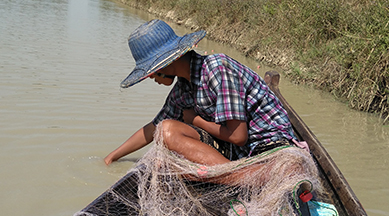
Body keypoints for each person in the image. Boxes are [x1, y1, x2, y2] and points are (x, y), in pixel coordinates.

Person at [104, 19, 303, 168]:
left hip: (267, 145)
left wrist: (196, 120)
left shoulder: (217, 69)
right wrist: (113, 156)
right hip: (238, 151)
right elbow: (153, 128)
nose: (151, 78)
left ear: (167, 63)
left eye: (151, 71)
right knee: (165, 133)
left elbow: (238, 136)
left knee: (168, 132)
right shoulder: (182, 90)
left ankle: (236, 177)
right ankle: (233, 173)